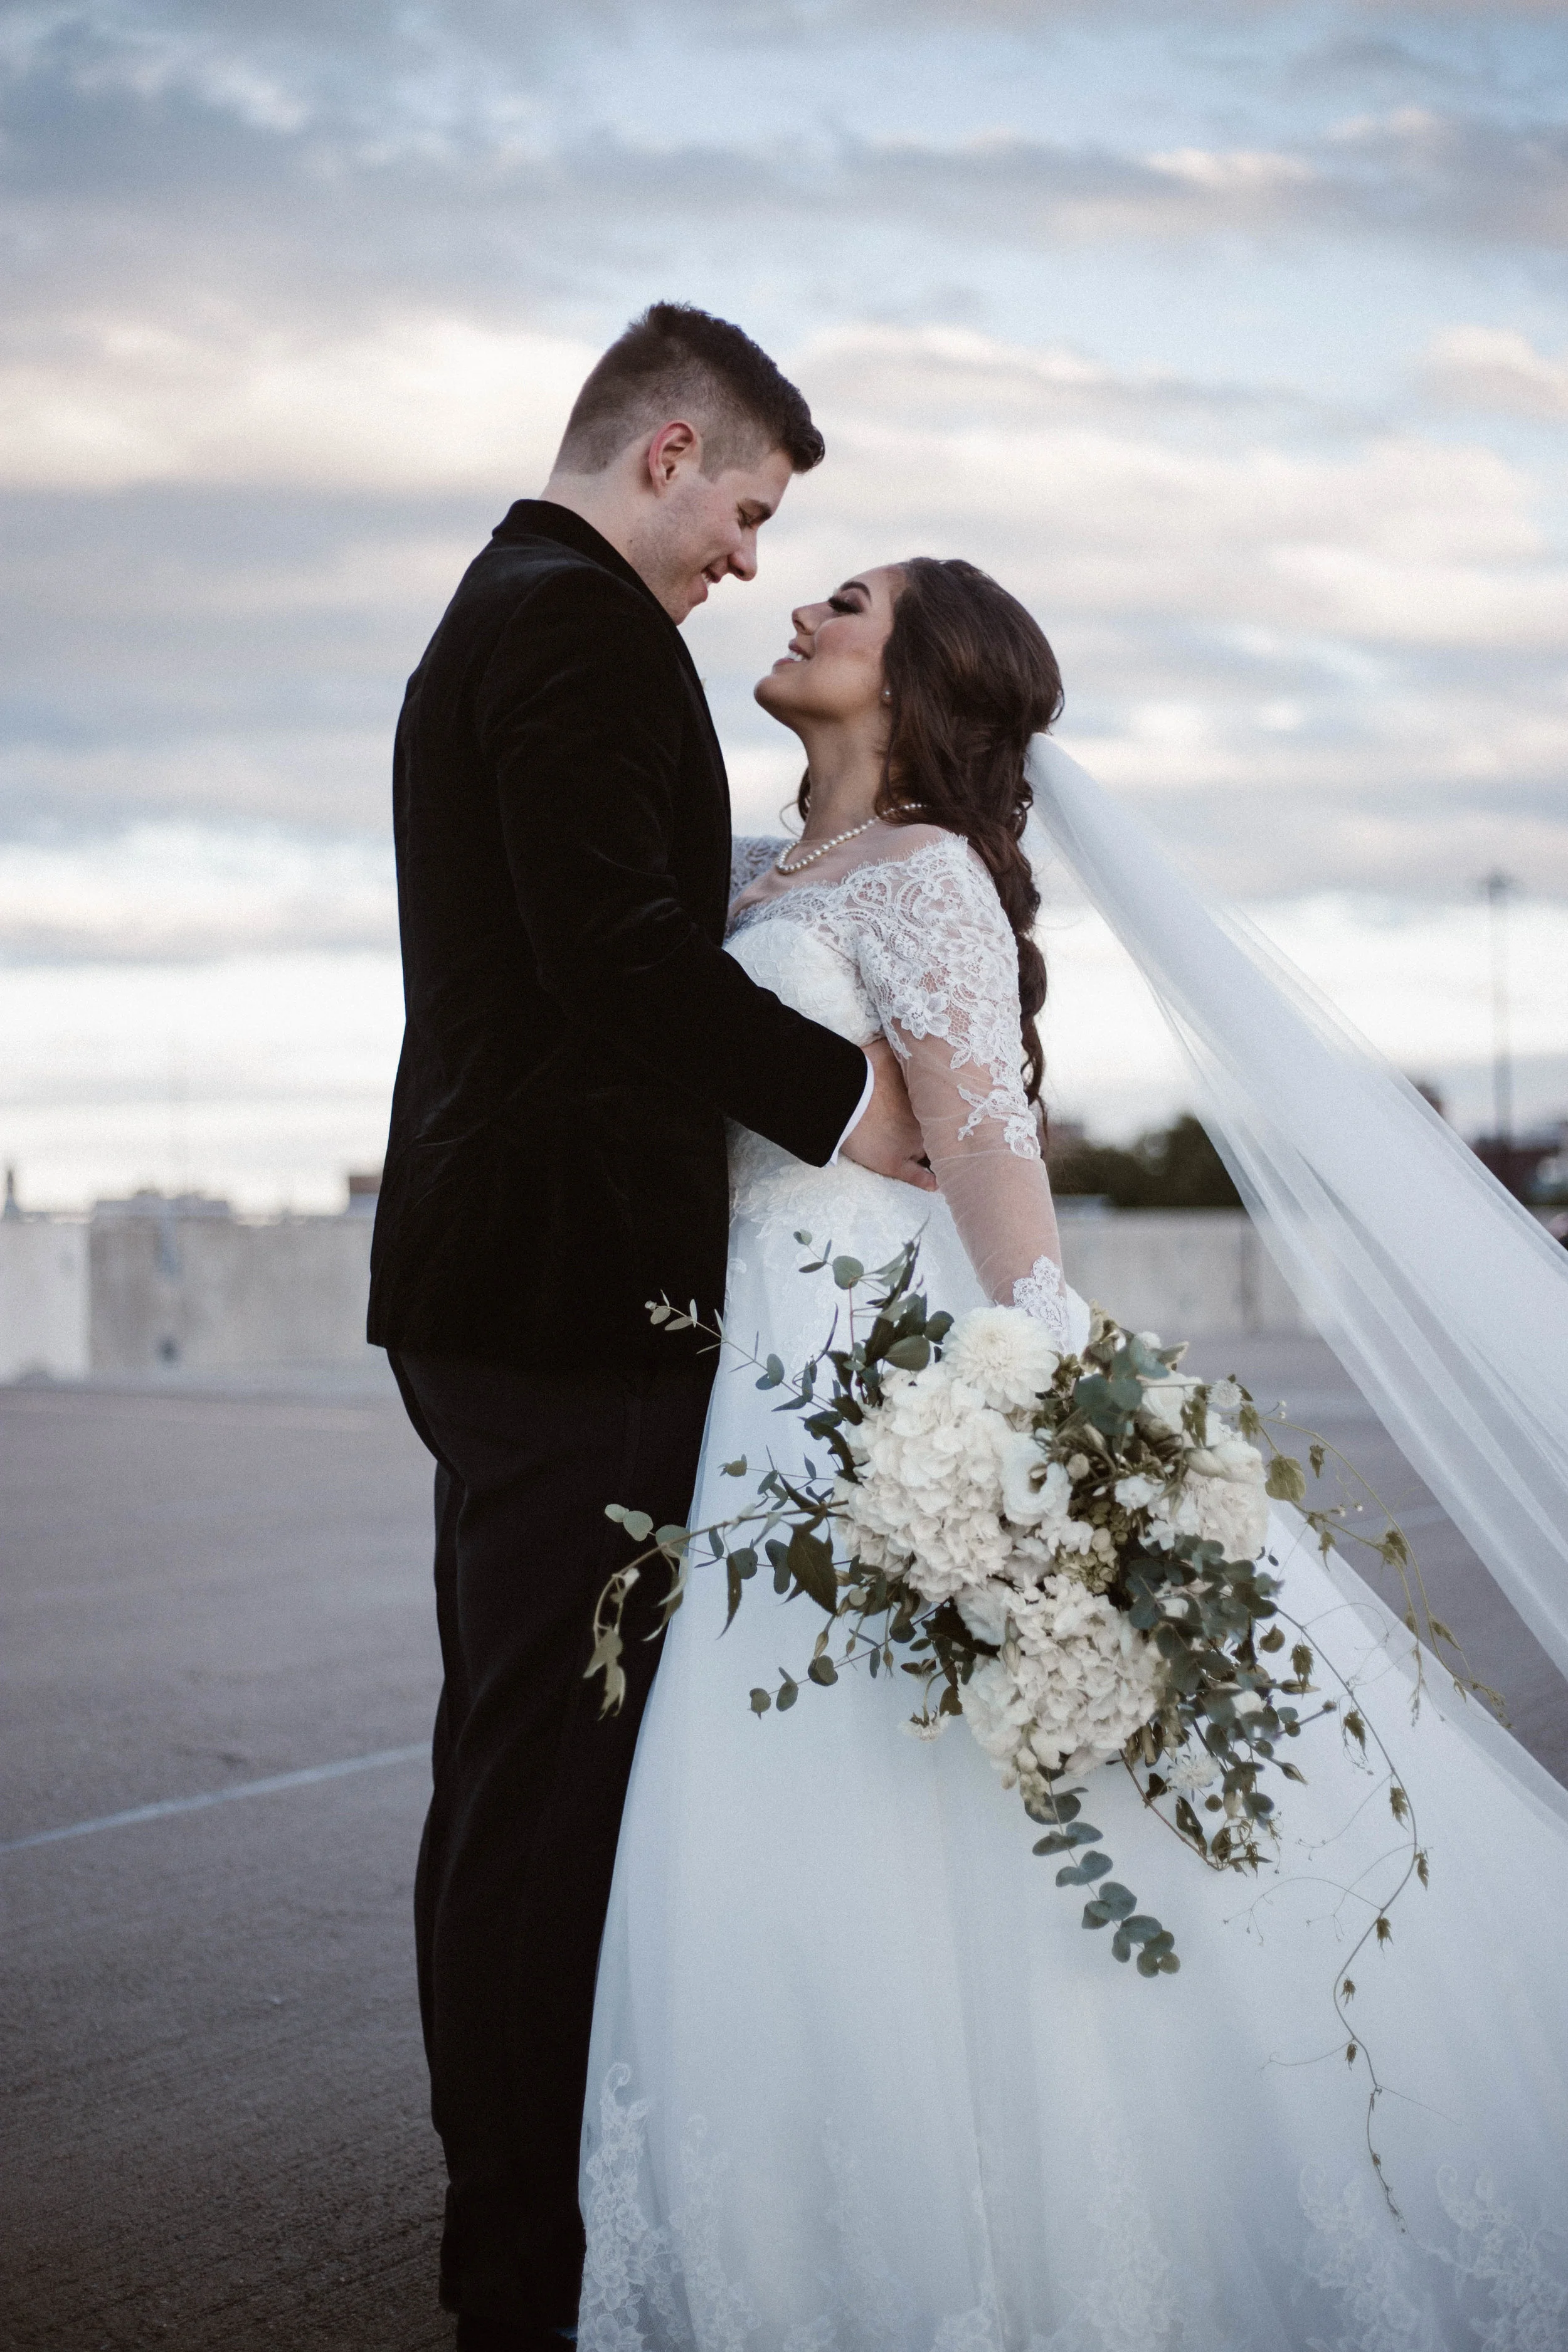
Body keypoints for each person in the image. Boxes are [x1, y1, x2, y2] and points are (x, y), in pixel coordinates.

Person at [578, 558, 1568, 2348]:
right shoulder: (765, 877)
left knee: (945, 1810)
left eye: (850, 604)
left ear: (922, 678)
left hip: (892, 1405)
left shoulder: (924, 877)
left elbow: (994, 1184)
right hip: (764, 1410)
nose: (801, 609)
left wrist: (1065, 1456)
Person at [368, 304, 936, 2352]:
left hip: (519, 1276)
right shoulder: (573, 626)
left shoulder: (512, 610)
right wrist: (852, 1109)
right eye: (754, 511)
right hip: (561, 1294)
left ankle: (530, 2205)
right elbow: (618, 954)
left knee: (527, 1771)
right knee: (538, 1790)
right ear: (670, 446)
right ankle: (515, 2260)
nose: (750, 562)